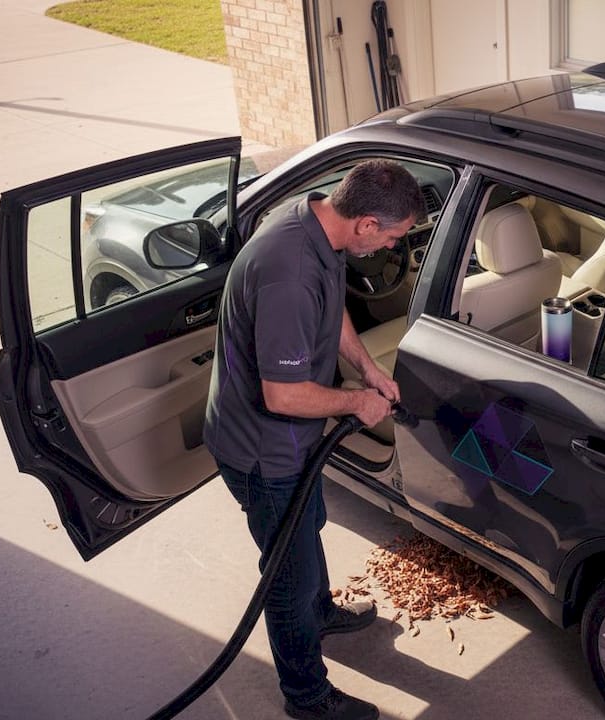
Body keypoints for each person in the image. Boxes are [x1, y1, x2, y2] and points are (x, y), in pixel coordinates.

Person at [204, 159, 425, 720]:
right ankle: (306, 697)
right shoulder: (290, 273)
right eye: (394, 237)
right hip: (263, 448)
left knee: (310, 528)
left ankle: (320, 610)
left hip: (292, 443)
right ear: (367, 224)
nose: (391, 248)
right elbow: (282, 396)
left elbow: (336, 315)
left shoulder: (316, 222)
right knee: (288, 574)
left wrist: (368, 369)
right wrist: (357, 401)